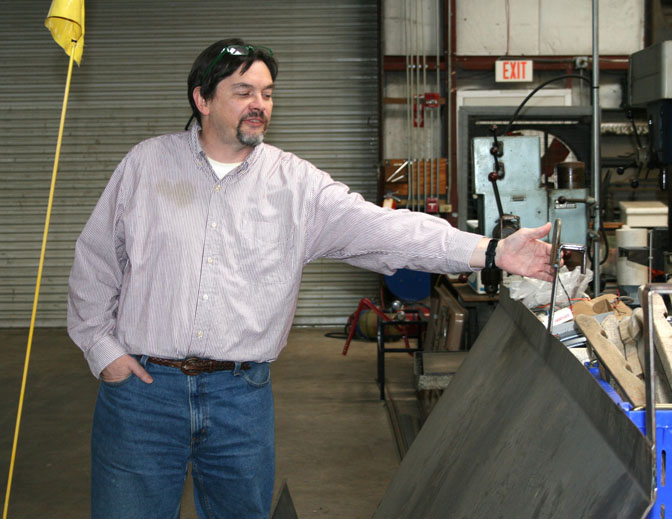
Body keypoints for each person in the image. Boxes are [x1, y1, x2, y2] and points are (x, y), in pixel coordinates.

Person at [67, 38, 555, 519]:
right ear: (202, 98)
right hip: (143, 395)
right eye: (243, 92)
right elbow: (95, 262)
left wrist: (489, 250)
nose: (259, 105)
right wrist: (102, 350)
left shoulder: (296, 185)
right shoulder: (145, 167)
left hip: (240, 398)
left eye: (267, 93)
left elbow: (386, 230)